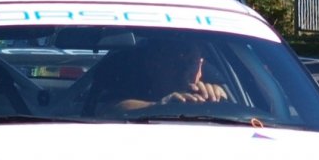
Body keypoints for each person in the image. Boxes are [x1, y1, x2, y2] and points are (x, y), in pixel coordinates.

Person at [93, 37, 231, 114]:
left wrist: (219, 102)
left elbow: (246, 117)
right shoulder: (130, 88)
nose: (184, 70)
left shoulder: (208, 92)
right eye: (175, 62)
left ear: (201, 66)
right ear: (152, 64)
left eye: (191, 62)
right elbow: (112, 109)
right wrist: (161, 106)